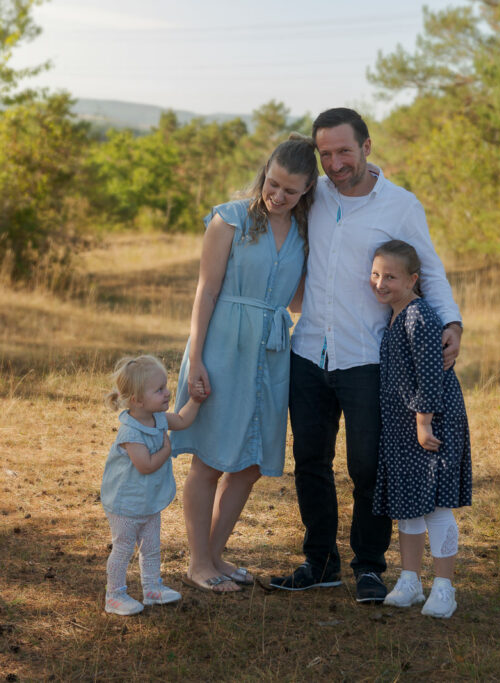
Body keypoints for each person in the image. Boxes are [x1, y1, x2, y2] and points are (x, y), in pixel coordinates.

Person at [270, 108, 463, 603]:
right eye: (326, 153)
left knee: (368, 466)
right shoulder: (313, 196)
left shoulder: (400, 205)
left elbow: (430, 270)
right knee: (310, 461)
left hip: (369, 359)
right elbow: (272, 201)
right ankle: (320, 562)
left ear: (367, 147)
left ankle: (370, 567)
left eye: (344, 152)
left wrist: (453, 322)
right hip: (309, 351)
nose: (334, 163)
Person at [172, 135, 319, 593]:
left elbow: (295, 298)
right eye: (273, 184)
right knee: (211, 459)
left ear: (307, 191)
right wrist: (197, 358)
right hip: (222, 346)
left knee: (250, 462)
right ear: (264, 174)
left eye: (290, 191)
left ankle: (215, 554)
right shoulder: (229, 219)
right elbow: (206, 291)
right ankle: (198, 563)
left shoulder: (302, 232)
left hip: (272, 353)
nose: (277, 196)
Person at [369, 240, 471, 617]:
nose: (380, 283)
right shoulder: (395, 315)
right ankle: (410, 580)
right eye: (376, 274)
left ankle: (444, 587)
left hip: (431, 421)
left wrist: (423, 423)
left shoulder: (419, 316)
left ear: (413, 279)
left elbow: (431, 375)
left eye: (391, 276)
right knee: (409, 505)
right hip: (404, 425)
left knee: (437, 506)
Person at [101, 355, 202, 616]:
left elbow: (181, 420)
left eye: (166, 386)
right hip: (125, 504)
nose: (167, 393)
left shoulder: (158, 418)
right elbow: (145, 465)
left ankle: (152, 588)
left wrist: (196, 401)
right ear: (137, 400)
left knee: (151, 546)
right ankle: (114, 595)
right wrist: (166, 450)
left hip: (147, 501)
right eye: (159, 390)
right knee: (123, 548)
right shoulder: (131, 432)